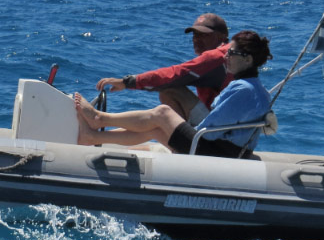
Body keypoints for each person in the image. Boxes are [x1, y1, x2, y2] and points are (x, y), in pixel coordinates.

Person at [76, 30, 272, 158]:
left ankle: (99, 118)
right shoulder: (253, 87)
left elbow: (210, 131)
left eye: (231, 54)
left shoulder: (243, 90)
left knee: (162, 113)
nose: (226, 57)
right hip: (227, 149)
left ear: (247, 60)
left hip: (216, 152)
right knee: (156, 129)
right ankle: (93, 137)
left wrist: (183, 127)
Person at [96, 13, 231, 125]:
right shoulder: (230, 54)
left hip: (219, 132)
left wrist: (127, 82)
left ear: (221, 37)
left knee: (170, 91)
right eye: (195, 35)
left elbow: (174, 74)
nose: (196, 39)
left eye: (203, 35)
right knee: (164, 111)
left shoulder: (216, 58)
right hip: (228, 127)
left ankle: (101, 120)